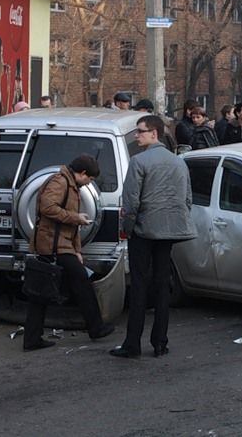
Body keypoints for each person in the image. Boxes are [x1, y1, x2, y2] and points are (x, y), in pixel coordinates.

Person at [110, 116, 196, 359]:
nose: (137, 136)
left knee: (139, 286)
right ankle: (160, 342)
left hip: (144, 229)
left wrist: (128, 226)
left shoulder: (138, 161)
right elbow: (187, 198)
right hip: (169, 230)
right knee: (161, 285)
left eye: (140, 131)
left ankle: (132, 344)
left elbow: (130, 202)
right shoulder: (179, 163)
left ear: (154, 133)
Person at [24, 155, 115, 351]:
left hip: (59, 244)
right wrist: (75, 217)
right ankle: (95, 327)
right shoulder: (60, 182)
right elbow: (47, 207)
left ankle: (32, 338)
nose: (89, 183)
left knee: (43, 290)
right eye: (89, 179)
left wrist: (77, 251)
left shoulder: (72, 185)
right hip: (52, 244)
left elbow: (71, 228)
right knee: (78, 282)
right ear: (82, 173)